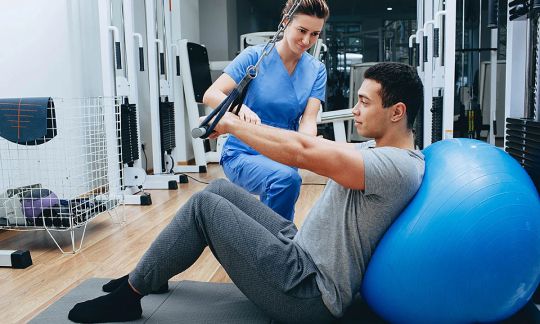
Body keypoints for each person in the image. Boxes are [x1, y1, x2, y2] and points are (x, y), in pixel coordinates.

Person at [68, 62, 425, 324]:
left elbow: (304, 154)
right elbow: (303, 141)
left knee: (206, 206)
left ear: (396, 112)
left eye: (364, 102)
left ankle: (130, 297)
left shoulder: (396, 167)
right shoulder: (379, 153)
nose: (354, 109)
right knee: (221, 188)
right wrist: (239, 125)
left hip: (307, 290)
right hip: (300, 249)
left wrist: (229, 124)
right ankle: (150, 273)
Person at [202, 0, 330, 221]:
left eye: (315, 34)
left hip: (284, 152)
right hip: (243, 151)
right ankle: (277, 245)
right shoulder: (254, 57)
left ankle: (275, 244)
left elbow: (309, 119)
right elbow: (211, 94)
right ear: (285, 22)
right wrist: (238, 108)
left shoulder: (316, 70)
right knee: (286, 180)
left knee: (286, 179)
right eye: (302, 30)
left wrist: (307, 147)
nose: (306, 40)